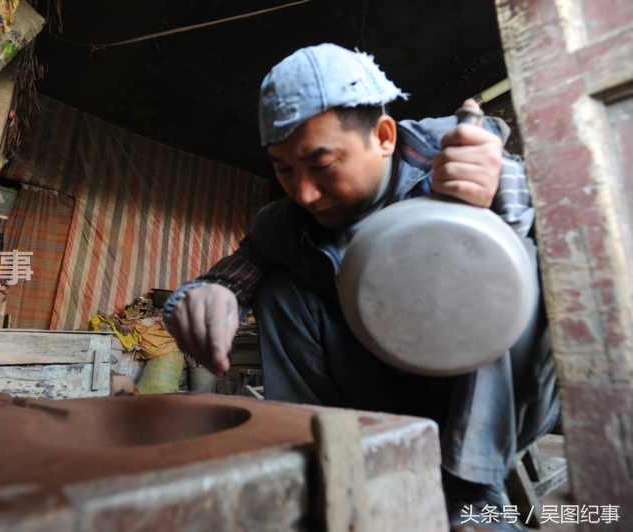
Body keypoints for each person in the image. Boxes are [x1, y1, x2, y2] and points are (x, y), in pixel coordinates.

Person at [163, 43, 559, 532]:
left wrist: (498, 202)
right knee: (280, 288)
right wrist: (204, 295)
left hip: (485, 403)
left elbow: (561, 230)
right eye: (284, 169)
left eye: (323, 164)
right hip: (378, 403)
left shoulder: (454, 160)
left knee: (512, 261)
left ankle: (470, 492)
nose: (304, 192)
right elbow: (239, 268)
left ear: (385, 137)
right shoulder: (289, 223)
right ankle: (332, 457)